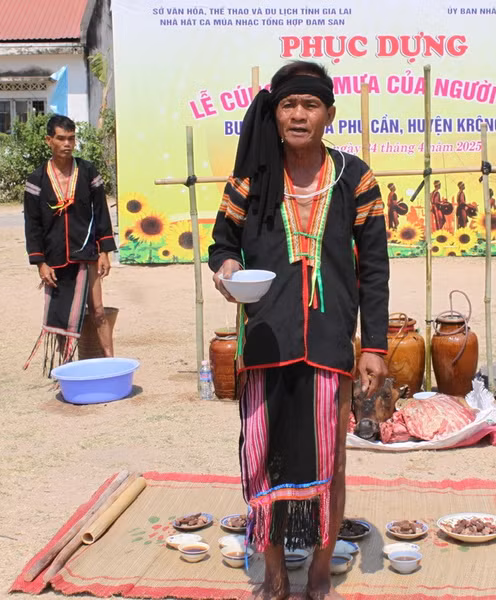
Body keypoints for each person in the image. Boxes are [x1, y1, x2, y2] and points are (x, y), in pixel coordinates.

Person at [209, 61, 388, 600]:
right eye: (289, 105)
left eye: (310, 105)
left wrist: (373, 346)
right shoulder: (253, 178)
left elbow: (374, 266)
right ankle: (276, 571)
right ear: (276, 112)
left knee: (329, 458)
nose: (298, 115)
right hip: (265, 338)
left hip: (331, 341)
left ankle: (316, 569)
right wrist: (227, 270)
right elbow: (223, 243)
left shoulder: (355, 177)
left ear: (328, 114)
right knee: (264, 456)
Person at [23, 115, 116, 373]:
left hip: (87, 252)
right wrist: (40, 263)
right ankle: (67, 369)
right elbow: (32, 224)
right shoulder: (37, 179)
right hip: (55, 256)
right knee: (63, 318)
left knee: (97, 311)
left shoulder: (87, 171)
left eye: (71, 138)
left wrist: (105, 251)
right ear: (49, 140)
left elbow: (101, 212)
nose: (67, 144)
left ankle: (111, 363)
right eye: (61, 138)